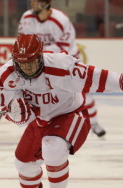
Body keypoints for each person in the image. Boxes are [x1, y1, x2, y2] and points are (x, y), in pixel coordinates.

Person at [0, 34, 123, 188]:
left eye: (31, 62)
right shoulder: (6, 75)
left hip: (71, 114)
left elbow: (98, 78)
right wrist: (18, 114)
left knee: (52, 147)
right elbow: (14, 114)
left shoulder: (62, 66)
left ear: (40, 56)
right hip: (41, 120)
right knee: (22, 162)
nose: (26, 67)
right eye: (21, 63)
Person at [18, 0, 106, 137]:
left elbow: (64, 47)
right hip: (41, 62)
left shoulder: (60, 20)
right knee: (41, 94)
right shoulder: (27, 18)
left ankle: (94, 123)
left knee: (84, 92)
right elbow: (22, 41)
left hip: (68, 61)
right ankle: (44, 126)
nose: (33, 4)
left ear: (46, 3)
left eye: (37, 1)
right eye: (32, 1)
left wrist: (37, 54)